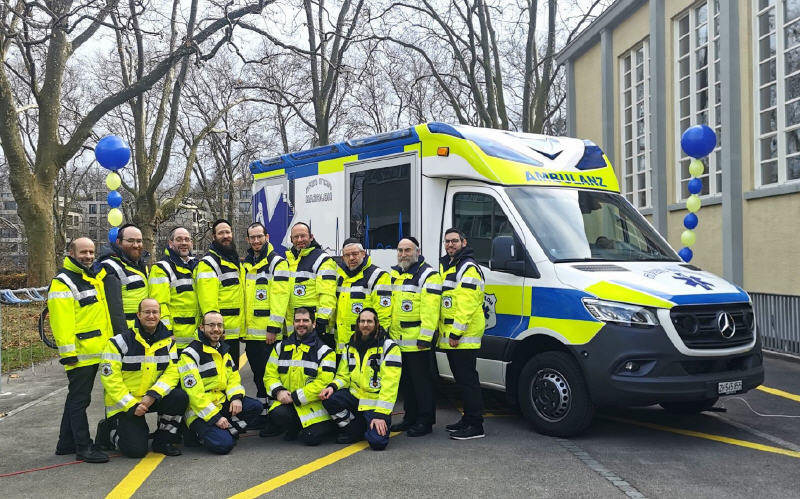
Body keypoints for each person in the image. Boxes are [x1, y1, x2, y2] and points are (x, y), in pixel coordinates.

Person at [48, 237, 114, 463]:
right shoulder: (64, 282)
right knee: (80, 401)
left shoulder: (93, 277)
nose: (88, 256)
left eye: (91, 252)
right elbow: (61, 323)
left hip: (99, 349)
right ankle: (83, 447)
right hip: (81, 354)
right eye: (83, 252)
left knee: (76, 399)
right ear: (71, 253)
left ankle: (65, 443)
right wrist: (68, 355)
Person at [97, 298, 187, 457]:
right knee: (136, 451)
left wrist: (153, 394)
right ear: (138, 315)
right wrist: (131, 405)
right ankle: (108, 431)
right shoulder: (118, 342)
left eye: (155, 312)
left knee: (179, 397)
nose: (151, 316)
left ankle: (163, 440)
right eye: (147, 312)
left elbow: (172, 372)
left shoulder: (168, 341)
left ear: (160, 315)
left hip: (151, 398)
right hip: (125, 403)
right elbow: (111, 379)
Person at [179, 311, 262, 455]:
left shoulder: (223, 350)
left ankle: (225, 429)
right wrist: (215, 418)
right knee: (224, 446)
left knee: (255, 407)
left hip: (220, 402)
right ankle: (195, 432)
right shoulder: (190, 354)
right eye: (211, 325)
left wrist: (236, 398)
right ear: (201, 328)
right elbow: (194, 395)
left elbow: (234, 379)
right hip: (199, 411)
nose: (216, 329)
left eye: (219, 325)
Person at [320, 308, 401, 450]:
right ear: (358, 324)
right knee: (329, 399)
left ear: (377, 324)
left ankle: (370, 425)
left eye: (369, 321)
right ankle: (355, 430)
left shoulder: (389, 347)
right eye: (362, 321)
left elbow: (391, 384)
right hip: (355, 397)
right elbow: (343, 376)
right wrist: (332, 387)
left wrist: (381, 414)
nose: (365, 325)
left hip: (375, 404)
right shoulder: (350, 346)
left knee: (377, 443)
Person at [388, 237, 441, 437]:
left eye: (407, 250)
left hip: (418, 342)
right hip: (397, 341)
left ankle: (425, 421)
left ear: (417, 252)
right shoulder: (393, 273)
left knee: (423, 384)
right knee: (407, 384)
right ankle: (409, 418)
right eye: (400, 250)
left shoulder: (428, 274)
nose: (403, 254)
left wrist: (425, 337)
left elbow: (431, 309)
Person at [242, 222, 291, 429]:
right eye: (252, 237)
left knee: (270, 375)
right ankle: (263, 414)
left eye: (259, 237)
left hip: (268, 334)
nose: (255, 241)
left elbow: (281, 296)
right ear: (248, 240)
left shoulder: (277, 263)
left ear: (267, 237)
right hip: (252, 334)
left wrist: (273, 327)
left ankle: (274, 417)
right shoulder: (245, 263)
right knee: (257, 376)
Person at [438, 228, 486, 440]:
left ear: (464, 243)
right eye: (447, 241)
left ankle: (476, 425)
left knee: (468, 381)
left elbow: (466, 304)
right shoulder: (450, 265)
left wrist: (456, 332)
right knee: (462, 381)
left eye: (455, 241)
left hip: (463, 336)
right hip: (454, 335)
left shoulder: (468, 267)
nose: (450, 245)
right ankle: (467, 419)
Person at [263, 307, 336, 445]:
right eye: (297, 321)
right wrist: (279, 392)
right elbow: (269, 375)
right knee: (277, 415)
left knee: (311, 439)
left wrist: (295, 397)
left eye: (305, 320)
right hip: (287, 401)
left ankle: (328, 426)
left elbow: (323, 383)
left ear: (313, 324)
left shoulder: (325, 351)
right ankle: (296, 426)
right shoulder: (280, 347)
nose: (301, 324)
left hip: (313, 406)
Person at [196, 219, 245, 367]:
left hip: (233, 333)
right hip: (220, 334)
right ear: (213, 237)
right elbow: (208, 301)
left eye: (228, 232)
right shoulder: (209, 263)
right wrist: (215, 329)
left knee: (232, 375)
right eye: (221, 233)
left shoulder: (232, 260)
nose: (225, 236)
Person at [334, 238, 392, 353]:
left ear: (363, 254)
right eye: (347, 255)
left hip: (366, 345)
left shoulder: (378, 276)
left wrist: (377, 340)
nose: (351, 258)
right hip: (341, 346)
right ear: (343, 258)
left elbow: (383, 313)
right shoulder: (339, 276)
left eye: (355, 254)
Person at [284, 222, 337, 348]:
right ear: (291, 240)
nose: (299, 240)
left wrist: (321, 321)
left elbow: (328, 294)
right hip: (294, 329)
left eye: (303, 236)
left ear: (311, 237)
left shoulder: (322, 260)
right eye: (295, 237)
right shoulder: (288, 261)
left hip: (315, 328)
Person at [148, 226, 199, 351]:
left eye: (187, 239)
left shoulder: (197, 266)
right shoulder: (161, 269)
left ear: (191, 243)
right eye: (179, 239)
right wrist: (166, 333)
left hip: (198, 339)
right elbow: (160, 305)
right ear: (171, 243)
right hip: (176, 340)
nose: (184, 243)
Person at [97, 223, 149, 331]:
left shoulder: (141, 264)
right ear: (118, 242)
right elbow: (114, 311)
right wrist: (123, 339)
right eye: (130, 241)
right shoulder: (109, 267)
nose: (135, 245)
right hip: (128, 333)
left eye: (139, 241)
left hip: (144, 330)